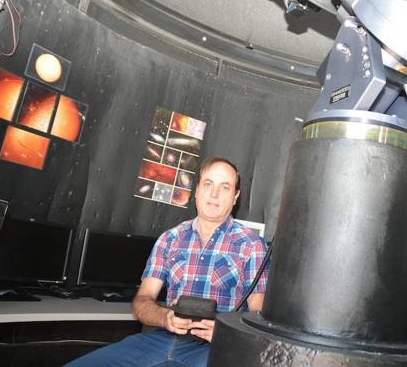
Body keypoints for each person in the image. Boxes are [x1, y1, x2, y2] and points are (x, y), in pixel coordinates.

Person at [66, 157, 269, 367]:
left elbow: (258, 314)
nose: (214, 194)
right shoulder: (169, 239)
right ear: (197, 190)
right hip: (162, 339)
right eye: (208, 184)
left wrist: (225, 332)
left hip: (214, 348)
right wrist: (165, 318)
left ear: (235, 197)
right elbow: (142, 301)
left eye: (224, 187)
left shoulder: (252, 245)